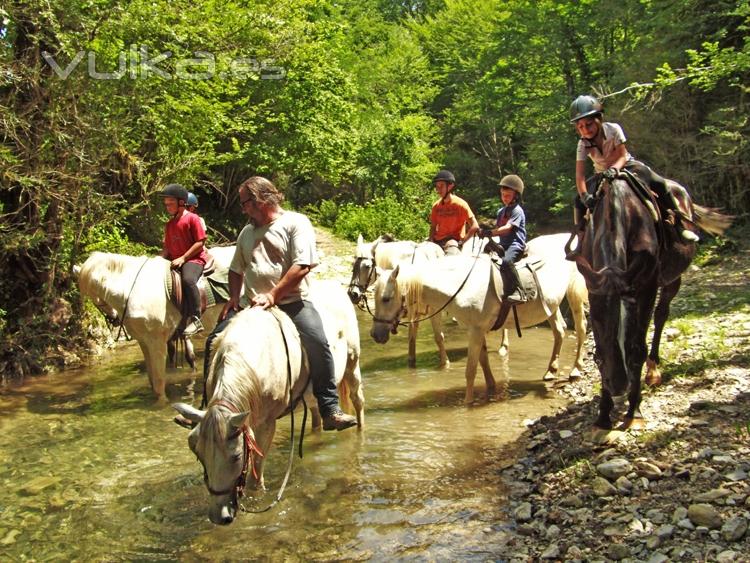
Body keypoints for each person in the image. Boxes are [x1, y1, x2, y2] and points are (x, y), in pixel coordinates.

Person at [200, 175, 357, 431]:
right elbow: (236, 269)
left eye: (245, 203)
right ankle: (209, 407)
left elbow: (302, 266)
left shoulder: (295, 223)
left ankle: (329, 408)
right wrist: (232, 298)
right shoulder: (247, 233)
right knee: (213, 342)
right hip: (252, 307)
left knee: (318, 341)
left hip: (292, 302)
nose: (243, 209)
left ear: (262, 199)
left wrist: (273, 295)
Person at [570, 94, 699, 242]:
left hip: (627, 166)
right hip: (601, 173)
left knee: (659, 183)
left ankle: (679, 226)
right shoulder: (582, 144)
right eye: (580, 127)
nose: (585, 130)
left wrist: (615, 169)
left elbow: (622, 156)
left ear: (599, 120)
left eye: (589, 124)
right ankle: (581, 238)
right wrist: (585, 196)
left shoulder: (613, 129)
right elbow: (579, 176)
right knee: (577, 200)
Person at [159, 183, 209, 337]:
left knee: (188, 280)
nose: (168, 207)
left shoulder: (193, 219)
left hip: (194, 260)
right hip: (175, 260)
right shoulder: (169, 224)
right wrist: (158, 260)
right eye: (166, 204)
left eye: (171, 203)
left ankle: (196, 318)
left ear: (181, 202)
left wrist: (183, 258)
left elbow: (200, 242)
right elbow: (167, 248)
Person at [479, 174, 527, 304]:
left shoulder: (517, 211)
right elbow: (498, 229)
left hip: (515, 245)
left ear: (515, 196)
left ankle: (519, 291)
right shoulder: (501, 212)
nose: (504, 198)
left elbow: (507, 228)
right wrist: (485, 234)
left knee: (506, 262)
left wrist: (490, 233)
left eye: (508, 196)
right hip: (504, 244)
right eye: (502, 195)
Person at [428, 169, 480, 255]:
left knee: (450, 257)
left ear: (450, 186)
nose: (438, 189)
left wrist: (462, 241)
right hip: (437, 241)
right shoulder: (436, 206)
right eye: (437, 186)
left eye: (441, 186)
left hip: (453, 241)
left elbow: (475, 226)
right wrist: (430, 240)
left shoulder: (461, 204)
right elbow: (433, 226)